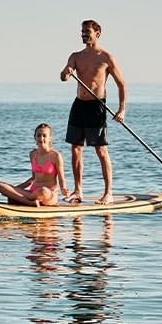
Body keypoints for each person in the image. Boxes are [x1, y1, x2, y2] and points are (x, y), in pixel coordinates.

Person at [60, 19, 126, 205]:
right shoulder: (75, 56)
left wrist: (122, 110)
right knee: (75, 149)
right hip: (79, 105)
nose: (83, 34)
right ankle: (77, 191)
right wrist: (66, 73)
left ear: (97, 33)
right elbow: (64, 75)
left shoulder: (106, 58)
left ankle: (108, 193)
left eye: (87, 31)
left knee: (101, 150)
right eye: (82, 31)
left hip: (97, 107)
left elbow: (121, 85)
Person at [0, 123, 71, 207]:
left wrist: (63, 188)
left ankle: (23, 199)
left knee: (43, 190)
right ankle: (29, 202)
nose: (41, 138)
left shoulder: (56, 156)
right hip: (33, 192)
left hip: (48, 194)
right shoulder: (32, 154)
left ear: (50, 138)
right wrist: (15, 189)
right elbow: (33, 178)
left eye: (44, 135)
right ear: (35, 137)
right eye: (38, 135)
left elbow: (61, 178)